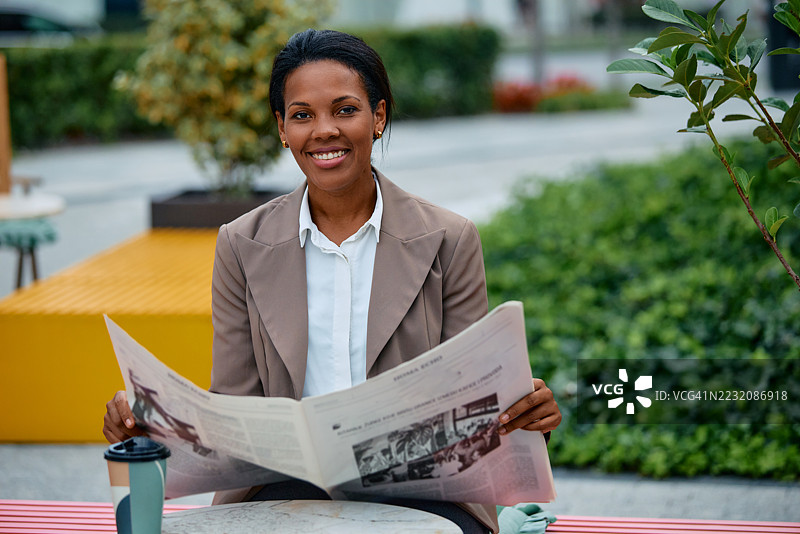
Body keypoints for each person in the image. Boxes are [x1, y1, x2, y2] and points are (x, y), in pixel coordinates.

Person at [103, 28, 562, 534]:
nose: (324, 130)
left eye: (345, 110)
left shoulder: (448, 240)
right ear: (282, 128)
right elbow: (235, 408)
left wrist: (526, 415)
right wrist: (150, 425)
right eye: (302, 115)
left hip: (423, 491)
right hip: (282, 487)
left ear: (379, 117)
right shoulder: (241, 245)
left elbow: (474, 406)